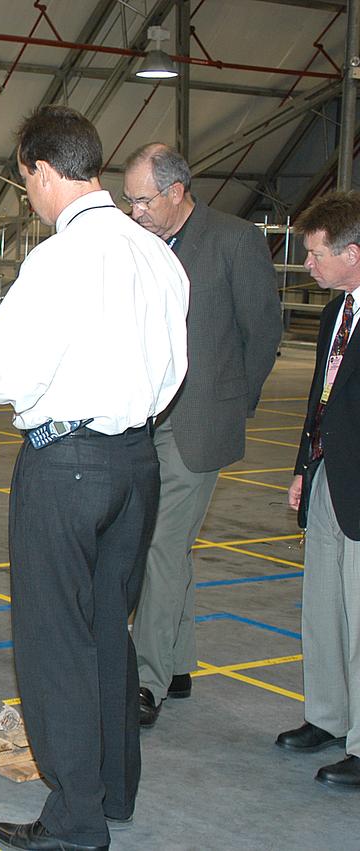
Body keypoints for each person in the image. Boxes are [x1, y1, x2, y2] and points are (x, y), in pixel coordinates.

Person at [0, 106, 189, 851]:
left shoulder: (58, 259)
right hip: (137, 461)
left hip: (67, 465)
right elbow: (175, 368)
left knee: (56, 641)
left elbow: (7, 369)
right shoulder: (156, 253)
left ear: (46, 172)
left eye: (27, 183)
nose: (29, 197)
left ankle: (75, 819)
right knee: (107, 632)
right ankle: (114, 787)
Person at [121, 143, 282, 727]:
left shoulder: (234, 240)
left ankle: (146, 679)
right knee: (167, 544)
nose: (134, 210)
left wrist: (233, 406)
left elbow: (262, 332)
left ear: (176, 191)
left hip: (199, 421)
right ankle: (179, 659)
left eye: (142, 199)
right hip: (143, 417)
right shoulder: (137, 243)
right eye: (129, 199)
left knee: (161, 546)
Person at [280, 191, 360, 789]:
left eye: (314, 255)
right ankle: (328, 717)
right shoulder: (337, 312)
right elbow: (320, 398)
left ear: (352, 254)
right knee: (324, 606)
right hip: (331, 474)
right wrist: (304, 469)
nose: (307, 266)